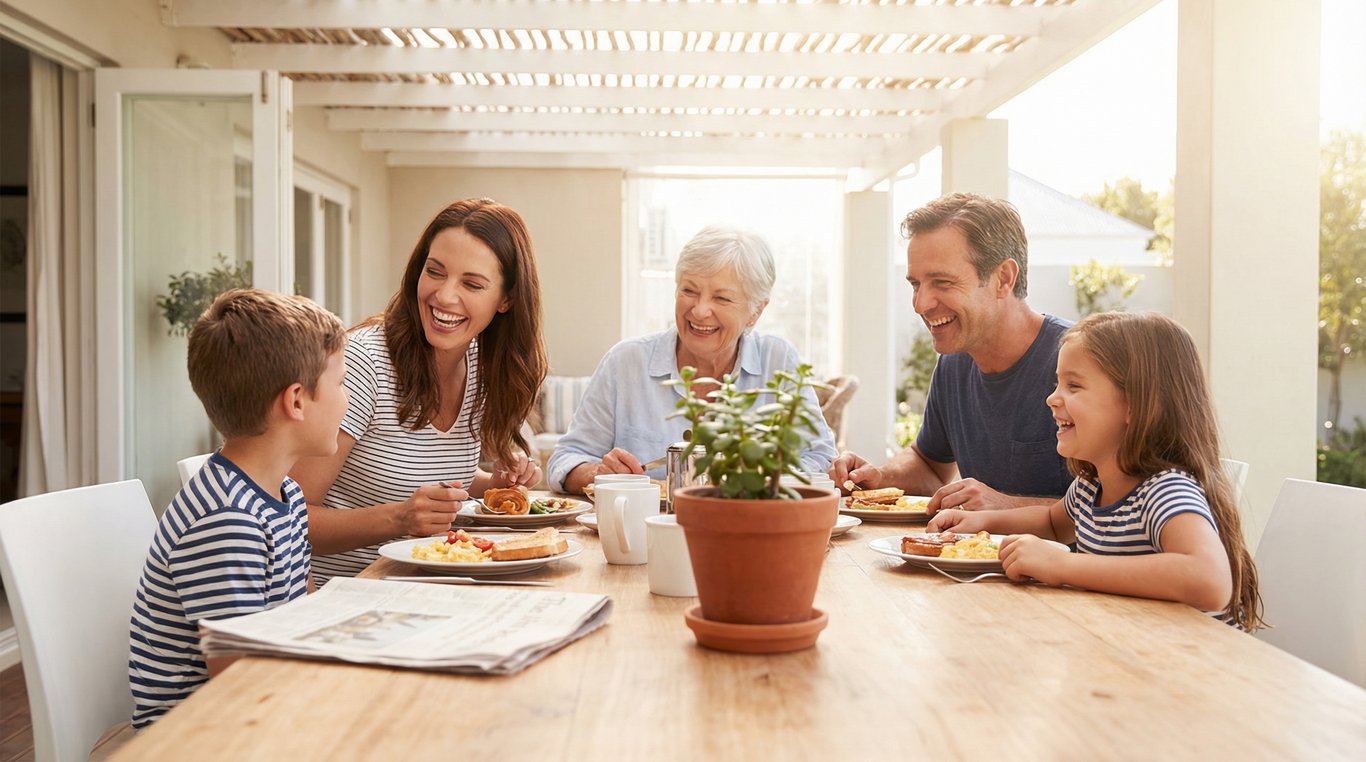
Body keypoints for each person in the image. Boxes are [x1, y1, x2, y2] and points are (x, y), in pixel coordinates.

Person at [929, 312, 1263, 631]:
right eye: (1057, 384)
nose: (1052, 399)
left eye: (1073, 386)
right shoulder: (1091, 488)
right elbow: (1051, 523)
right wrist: (981, 522)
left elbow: (1210, 580)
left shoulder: (1165, 491)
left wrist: (1065, 566)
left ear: (1134, 404)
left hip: (1199, 670)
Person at [293, 198, 548, 584]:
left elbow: (426, 475)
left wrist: (489, 484)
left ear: (507, 299)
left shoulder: (480, 364)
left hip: (433, 587)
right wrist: (397, 518)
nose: (444, 296)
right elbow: (285, 518)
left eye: (472, 284)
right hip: (346, 597)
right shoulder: (364, 364)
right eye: (435, 272)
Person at [129, 289, 348, 728]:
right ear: (296, 401)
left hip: (265, 705)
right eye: (342, 384)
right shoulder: (227, 520)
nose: (348, 400)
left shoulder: (284, 494)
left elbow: (301, 614)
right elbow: (239, 684)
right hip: (200, 734)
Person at [548, 226, 837, 495]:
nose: (699, 311)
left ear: (756, 312)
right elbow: (566, 459)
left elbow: (820, 457)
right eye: (689, 291)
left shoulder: (779, 359)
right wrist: (598, 472)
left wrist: (762, 476)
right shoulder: (625, 362)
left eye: (722, 299)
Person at [829, 192, 1072, 511]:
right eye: (916, 284)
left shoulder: (1082, 363)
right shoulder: (954, 364)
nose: (920, 305)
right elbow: (930, 466)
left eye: (941, 282)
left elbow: (1126, 508)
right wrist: (881, 476)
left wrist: (1002, 506)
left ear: (1003, 279)